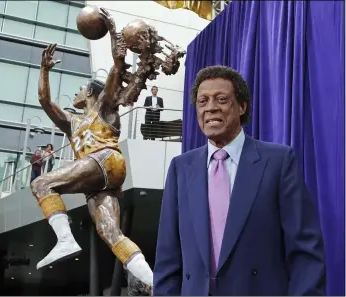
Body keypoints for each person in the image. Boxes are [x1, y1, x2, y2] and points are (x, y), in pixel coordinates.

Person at [153, 65, 326, 296]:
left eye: (221, 99)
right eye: (202, 101)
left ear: (242, 106)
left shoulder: (278, 161)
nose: (210, 108)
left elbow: (306, 252)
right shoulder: (180, 168)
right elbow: (167, 259)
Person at [30, 11, 154, 288]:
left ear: (90, 93)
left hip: (105, 160)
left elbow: (115, 70)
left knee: (41, 183)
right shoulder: (72, 123)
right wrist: (44, 70)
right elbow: (44, 99)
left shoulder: (104, 107)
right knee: (110, 232)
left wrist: (115, 41)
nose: (75, 93)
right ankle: (155, 283)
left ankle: (64, 240)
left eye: (79, 89)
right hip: (101, 181)